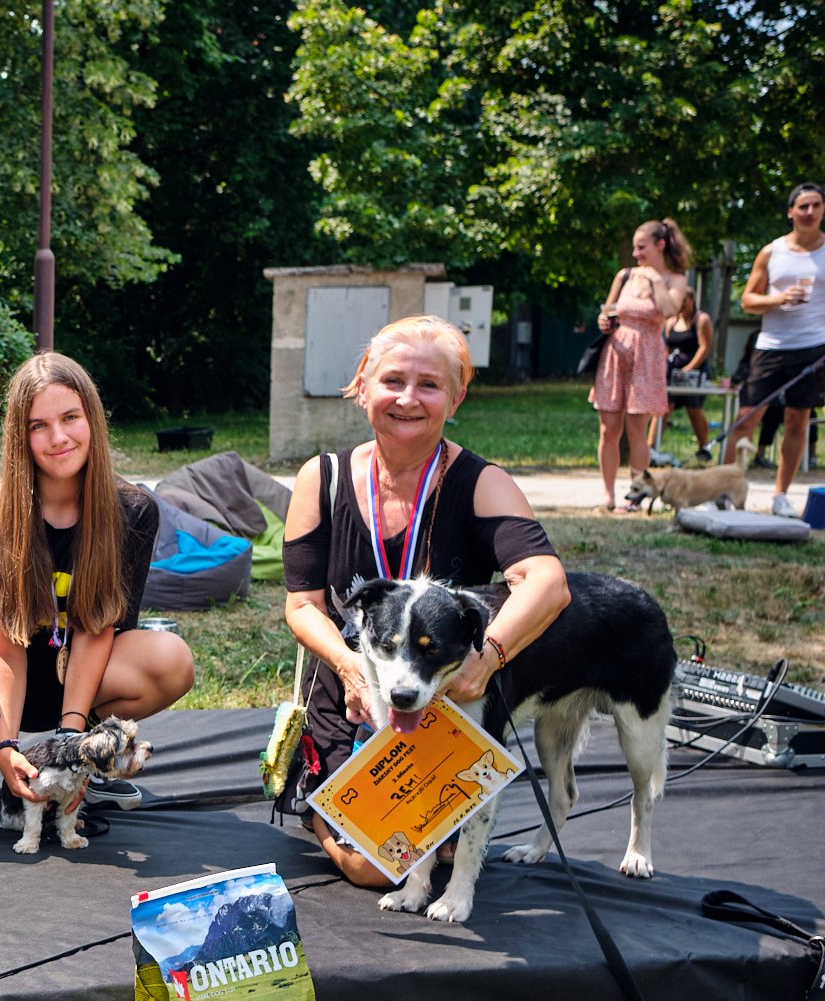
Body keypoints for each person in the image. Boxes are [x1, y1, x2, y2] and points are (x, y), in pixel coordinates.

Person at [279, 316, 569, 889]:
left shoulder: (482, 483)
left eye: (429, 385)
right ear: (362, 383)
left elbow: (548, 582)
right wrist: (351, 670)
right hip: (351, 703)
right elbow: (302, 606)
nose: (408, 399)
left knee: (426, 846)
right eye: (392, 380)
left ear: (456, 397)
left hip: (446, 712)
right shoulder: (324, 478)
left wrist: (485, 661)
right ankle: (325, 797)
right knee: (378, 863)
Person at [0, 352, 195, 811]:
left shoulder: (133, 511)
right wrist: (4, 746)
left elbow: (98, 630)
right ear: (21, 436)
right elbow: (5, 644)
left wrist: (71, 744)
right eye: (39, 425)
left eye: (70, 417)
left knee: (171, 660)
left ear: (92, 419)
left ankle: (96, 755)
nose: (58, 437)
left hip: (75, 662)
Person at [725, 183, 825, 518]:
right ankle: (723, 489)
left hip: (812, 348)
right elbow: (747, 300)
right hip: (770, 347)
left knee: (797, 422)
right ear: (791, 212)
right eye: (803, 206)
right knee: (746, 418)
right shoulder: (772, 252)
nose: (809, 212)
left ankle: (781, 494)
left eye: (815, 205)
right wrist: (778, 299)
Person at [590, 219, 691, 510]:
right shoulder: (624, 275)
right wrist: (603, 320)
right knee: (608, 429)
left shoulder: (674, 279)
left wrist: (656, 280)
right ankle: (608, 494)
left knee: (637, 429)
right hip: (616, 353)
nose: (636, 253)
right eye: (634, 247)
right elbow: (609, 309)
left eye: (641, 247)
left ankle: (635, 495)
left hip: (647, 356)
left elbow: (670, 310)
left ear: (660, 245)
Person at [659, 288, 715, 462]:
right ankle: (651, 447)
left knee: (694, 409)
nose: (680, 305)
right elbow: (666, 347)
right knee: (663, 408)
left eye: (684, 301)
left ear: (691, 300)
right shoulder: (670, 321)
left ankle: (703, 448)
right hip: (673, 371)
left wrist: (689, 369)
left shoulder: (701, 320)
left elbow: (704, 347)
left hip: (694, 372)